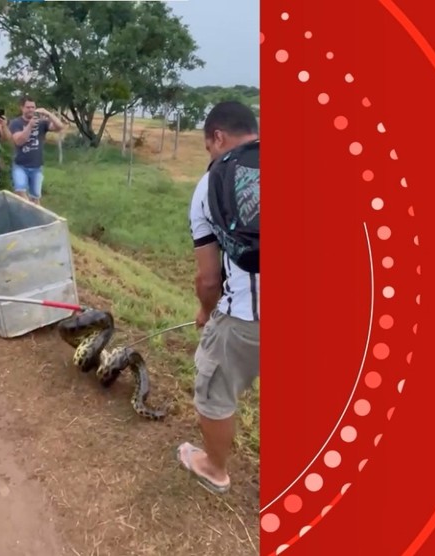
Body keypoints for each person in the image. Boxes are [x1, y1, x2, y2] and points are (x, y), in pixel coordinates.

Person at [176, 101, 261, 495]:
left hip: (247, 316)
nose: (210, 154)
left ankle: (214, 468)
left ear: (219, 137)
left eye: (208, 146)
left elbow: (209, 278)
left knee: (214, 391)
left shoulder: (209, 184)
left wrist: (206, 312)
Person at [8, 95, 65, 204]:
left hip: (37, 166)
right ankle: (28, 211)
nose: (31, 110)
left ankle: (35, 213)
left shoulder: (42, 123)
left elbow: (59, 127)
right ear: (22, 108)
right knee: (20, 192)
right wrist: (30, 126)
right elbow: (19, 141)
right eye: (28, 107)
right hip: (20, 165)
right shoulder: (16, 123)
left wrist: (47, 114)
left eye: (33, 107)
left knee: (35, 197)